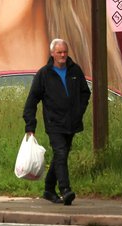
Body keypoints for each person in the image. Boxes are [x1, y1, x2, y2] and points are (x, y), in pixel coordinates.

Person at [23, 39, 90, 205]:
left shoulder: (75, 71)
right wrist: (30, 125)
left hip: (71, 122)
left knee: (62, 154)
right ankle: (65, 189)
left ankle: (48, 189)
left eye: (65, 52)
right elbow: (31, 101)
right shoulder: (44, 74)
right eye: (59, 52)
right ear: (52, 53)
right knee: (60, 153)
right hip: (54, 123)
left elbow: (85, 93)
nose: (63, 55)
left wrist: (79, 111)